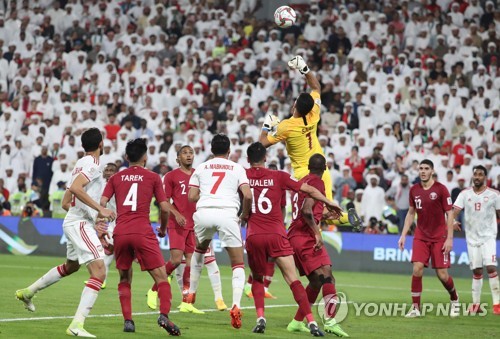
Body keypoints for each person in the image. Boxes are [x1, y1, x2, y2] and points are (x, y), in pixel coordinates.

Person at [15, 128, 116, 337]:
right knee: (99, 271)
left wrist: (86, 216)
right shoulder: (93, 164)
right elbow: (78, 188)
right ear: (101, 144)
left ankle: (28, 292)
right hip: (79, 223)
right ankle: (77, 324)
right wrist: (99, 210)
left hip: (74, 221)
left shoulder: (80, 163)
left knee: (71, 266)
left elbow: (65, 201)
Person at [245, 143, 341, 335]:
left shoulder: (242, 175)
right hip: (280, 233)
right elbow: (308, 201)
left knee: (257, 278)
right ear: (266, 157)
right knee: (295, 279)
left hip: (255, 233)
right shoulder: (280, 176)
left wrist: (243, 215)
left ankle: (261, 318)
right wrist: (328, 201)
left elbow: (245, 197)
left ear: (248, 160)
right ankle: (316, 322)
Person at [258, 55, 359, 227]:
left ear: (295, 105)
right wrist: (304, 68)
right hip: (322, 169)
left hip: (304, 175)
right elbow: (316, 87)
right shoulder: (314, 115)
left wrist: (266, 126)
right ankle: (348, 219)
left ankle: (341, 222)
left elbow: (260, 146)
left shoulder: (286, 126)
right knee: (328, 208)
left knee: (308, 213)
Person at [100, 138, 180, 335]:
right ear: (145, 156)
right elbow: (164, 207)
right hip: (142, 230)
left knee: (125, 277)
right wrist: (162, 228)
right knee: (162, 277)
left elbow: (102, 203)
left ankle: (128, 321)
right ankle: (164, 315)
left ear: (126, 157)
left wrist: (102, 230)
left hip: (121, 232)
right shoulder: (153, 177)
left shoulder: (115, 178)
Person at [146, 145, 226, 313]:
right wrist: (176, 215)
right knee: (175, 261)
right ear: (178, 159)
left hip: (195, 225)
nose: (188, 155)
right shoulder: (171, 176)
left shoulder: (200, 174)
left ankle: (186, 302)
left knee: (192, 262)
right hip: (178, 224)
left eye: (191, 153)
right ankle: (153, 290)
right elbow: (165, 202)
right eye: (185, 153)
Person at [187, 133, 252, 329]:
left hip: (204, 212)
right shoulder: (237, 167)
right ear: (229, 151)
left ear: (211, 150)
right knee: (238, 263)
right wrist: (245, 214)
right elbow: (247, 195)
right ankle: (236, 306)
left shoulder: (201, 167)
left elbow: (191, 196)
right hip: (227, 214)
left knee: (200, 248)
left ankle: (191, 291)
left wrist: (206, 196)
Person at [287, 154, 349, 337]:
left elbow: (308, 211)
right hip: (305, 236)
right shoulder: (317, 182)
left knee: (315, 281)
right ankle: (330, 321)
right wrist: (316, 232)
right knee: (327, 277)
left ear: (308, 166)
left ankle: (296, 322)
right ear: (326, 167)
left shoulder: (303, 181)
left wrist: (325, 216)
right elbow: (307, 211)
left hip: (295, 236)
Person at [398, 159, 459, 318]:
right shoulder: (414, 190)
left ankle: (454, 298)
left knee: (442, 275)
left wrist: (449, 239)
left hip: (440, 237)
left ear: (432, 171)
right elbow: (411, 213)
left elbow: (450, 213)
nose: (423, 171)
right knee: (417, 268)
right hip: (421, 236)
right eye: (421, 169)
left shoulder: (441, 189)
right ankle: (415, 308)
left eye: (426, 168)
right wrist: (403, 235)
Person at [452, 165, 500, 315]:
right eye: (475, 174)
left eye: (480, 174)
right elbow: (453, 212)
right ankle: (476, 305)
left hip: (488, 237)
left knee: (491, 267)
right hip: (471, 238)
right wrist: (452, 221)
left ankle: (497, 304)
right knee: (477, 271)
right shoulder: (464, 194)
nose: (477, 177)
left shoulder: (494, 195)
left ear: (485, 177)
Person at [97, 163, 118, 289]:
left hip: (122, 221)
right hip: (111, 222)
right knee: (108, 250)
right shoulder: (100, 186)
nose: (109, 172)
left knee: (111, 250)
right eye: (107, 170)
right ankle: (101, 279)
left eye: (112, 170)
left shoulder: (119, 185)